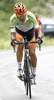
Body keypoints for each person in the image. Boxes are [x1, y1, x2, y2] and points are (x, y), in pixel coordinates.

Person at [10, 3, 43, 84]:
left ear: (26, 12)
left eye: (23, 15)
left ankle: (34, 74)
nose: (21, 17)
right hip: (19, 33)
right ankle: (19, 69)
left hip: (30, 33)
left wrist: (39, 38)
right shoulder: (12, 18)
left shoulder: (31, 16)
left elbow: (39, 30)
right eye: (19, 16)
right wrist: (13, 40)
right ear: (16, 14)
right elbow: (13, 34)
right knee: (20, 44)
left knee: (32, 52)